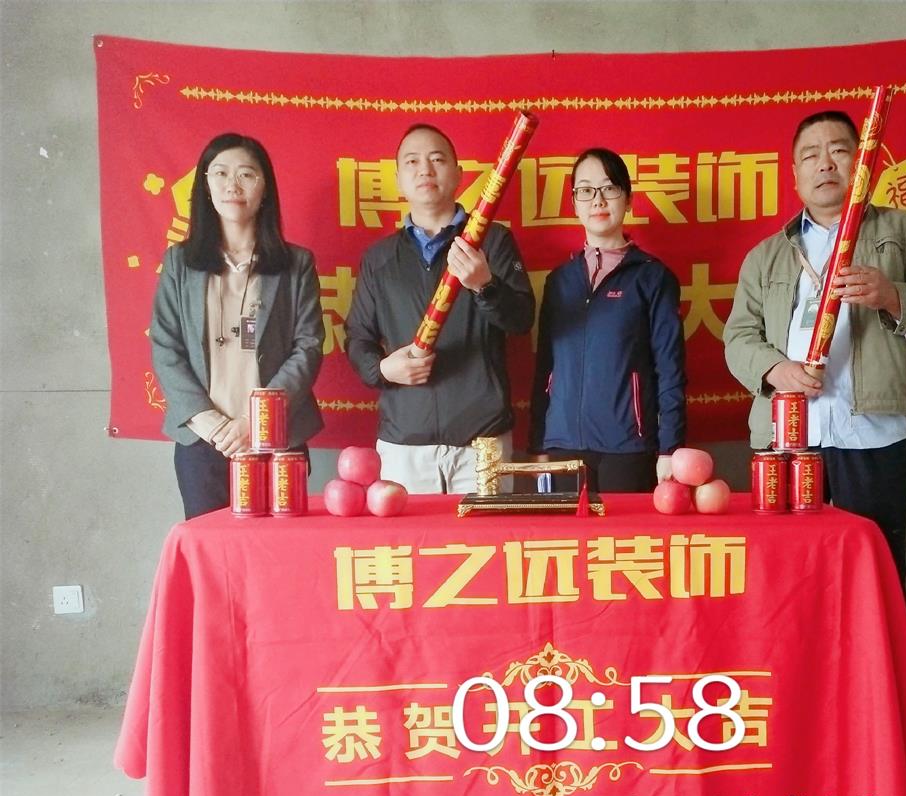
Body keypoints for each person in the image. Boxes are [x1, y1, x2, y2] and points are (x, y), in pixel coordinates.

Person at [723, 110, 906, 588]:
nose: (825, 163)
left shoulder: (902, 232)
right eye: (810, 155)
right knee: (789, 576)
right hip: (786, 438)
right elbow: (738, 337)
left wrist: (892, 295)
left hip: (871, 435)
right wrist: (775, 369)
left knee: (873, 572)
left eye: (838, 151)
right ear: (794, 174)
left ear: (863, 161)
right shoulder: (766, 255)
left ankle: (874, 643)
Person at [346, 123, 534, 492]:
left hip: (483, 441)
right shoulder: (379, 258)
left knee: (489, 533)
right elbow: (357, 336)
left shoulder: (493, 241)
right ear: (398, 179)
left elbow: (522, 320)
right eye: (412, 162)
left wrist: (485, 285)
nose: (425, 170)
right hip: (404, 443)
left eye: (437, 159)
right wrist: (382, 369)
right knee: (408, 534)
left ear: (459, 174)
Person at [150, 133, 324, 520]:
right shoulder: (180, 263)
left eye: (246, 174)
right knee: (211, 549)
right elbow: (165, 347)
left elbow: (308, 346)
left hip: (277, 440)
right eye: (221, 173)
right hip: (202, 441)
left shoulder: (296, 264)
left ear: (265, 188)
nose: (233, 185)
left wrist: (255, 423)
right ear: (205, 186)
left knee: (276, 550)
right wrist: (213, 425)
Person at [529, 148, 686, 493]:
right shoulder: (560, 281)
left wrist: (670, 448)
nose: (597, 200)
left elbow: (670, 370)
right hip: (561, 444)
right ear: (574, 204)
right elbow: (544, 368)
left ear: (628, 199)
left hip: (627, 445)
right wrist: (538, 443)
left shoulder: (652, 277)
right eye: (585, 190)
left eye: (609, 188)